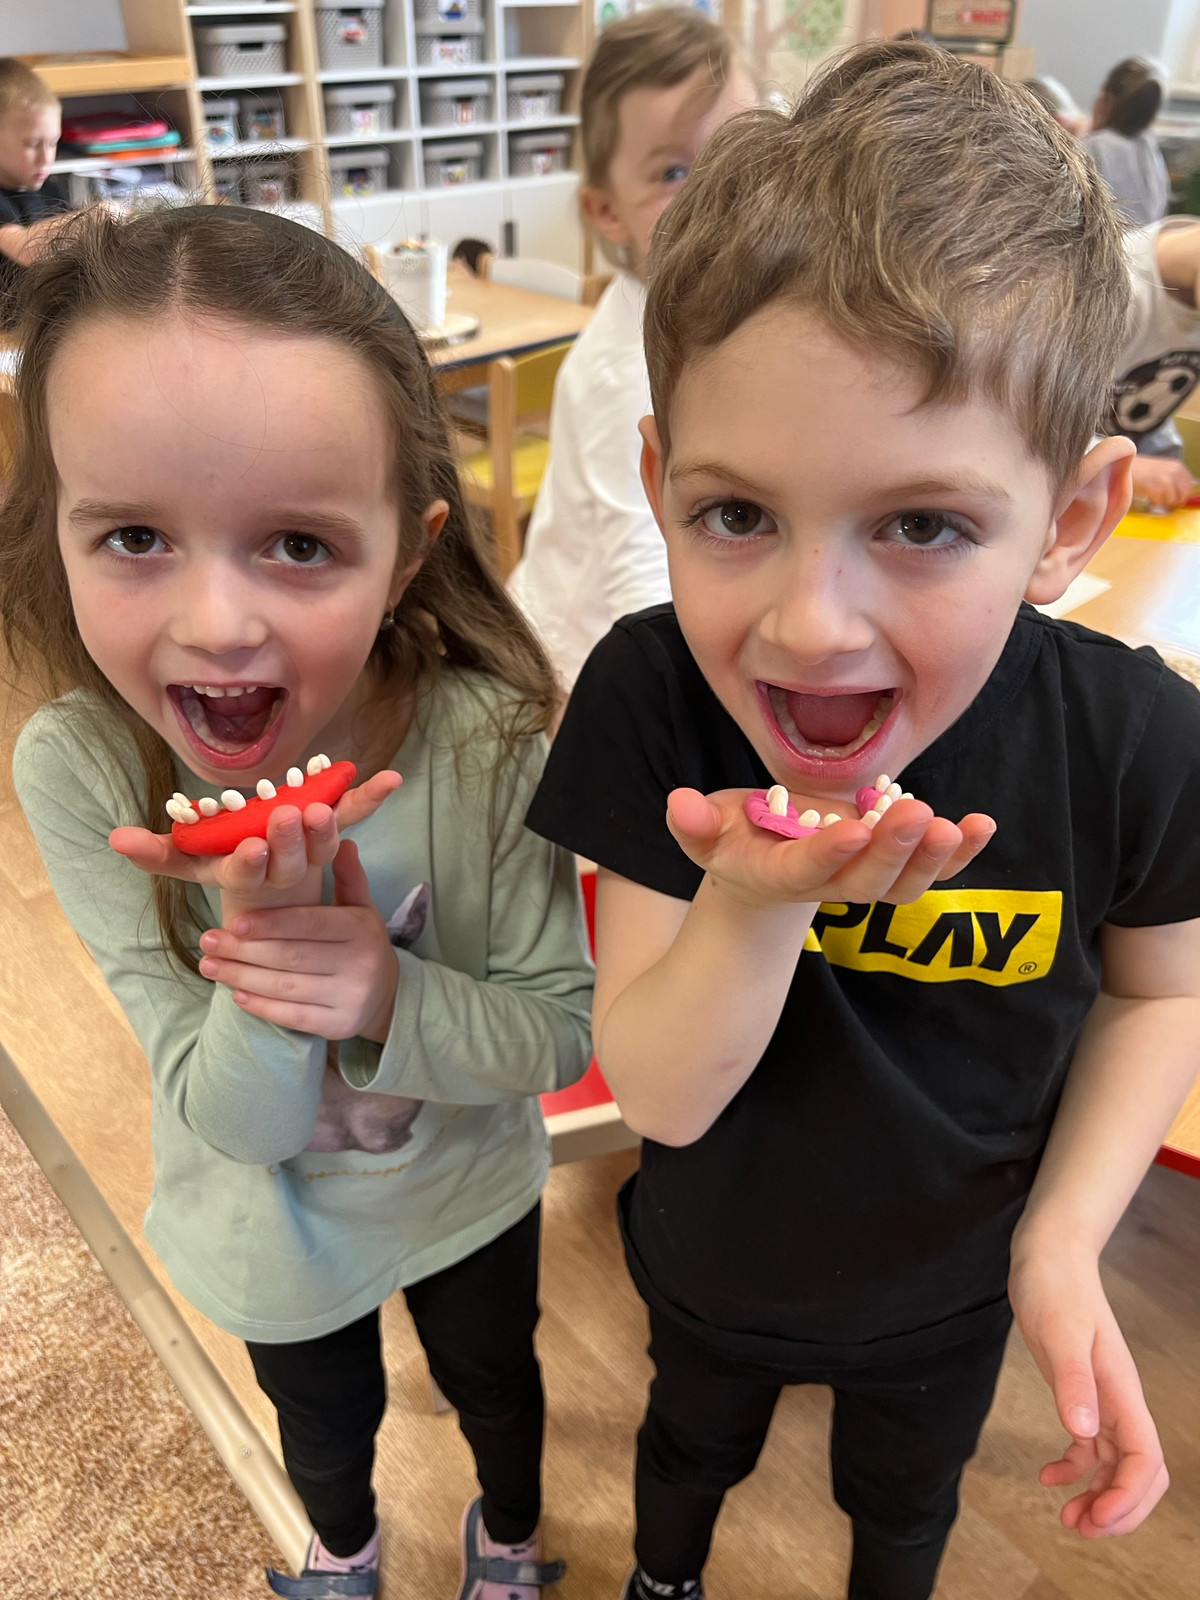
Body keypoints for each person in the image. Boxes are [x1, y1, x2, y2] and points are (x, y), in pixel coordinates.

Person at [527, 41, 1200, 1600]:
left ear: (1070, 520)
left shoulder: (1136, 739)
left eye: (922, 524)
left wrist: (1063, 1239)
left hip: (959, 1290)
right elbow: (663, 1093)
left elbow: (1162, 992)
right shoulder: (651, 696)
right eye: (736, 514)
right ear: (660, 483)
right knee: (686, 1460)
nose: (810, 627)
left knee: (905, 1514)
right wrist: (756, 901)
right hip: (711, 1262)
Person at [3, 205, 593, 1600]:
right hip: (270, 1223)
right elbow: (238, 1120)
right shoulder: (80, 768)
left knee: (498, 1383)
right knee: (323, 1425)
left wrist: (386, 991)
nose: (217, 625)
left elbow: (559, 1036)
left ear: (408, 551)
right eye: (133, 535)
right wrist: (268, 965)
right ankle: (345, 1553)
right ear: (55, 534)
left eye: (300, 545)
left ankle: (508, 1538)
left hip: (468, 1192)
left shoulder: (491, 737)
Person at [508, 7, 756, 696]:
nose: (719, 194)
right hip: (575, 668)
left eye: (741, 150)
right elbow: (644, 580)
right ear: (608, 212)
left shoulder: (735, 313)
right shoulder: (626, 369)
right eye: (674, 172)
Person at [1107, 214, 1200, 510]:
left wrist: (1161, 462)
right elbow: (1014, 432)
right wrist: (1115, 466)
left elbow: (1137, 401)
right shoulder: (1104, 283)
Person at [0, 58, 74, 328]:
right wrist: (94, 217)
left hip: (43, 326)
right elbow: (24, 248)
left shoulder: (52, 190)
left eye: (53, 143)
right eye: (33, 144)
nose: (46, 158)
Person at [1082, 56, 1169, 228]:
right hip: (1148, 241)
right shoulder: (1149, 148)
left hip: (1109, 242)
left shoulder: (1093, 147)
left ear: (1106, 99)